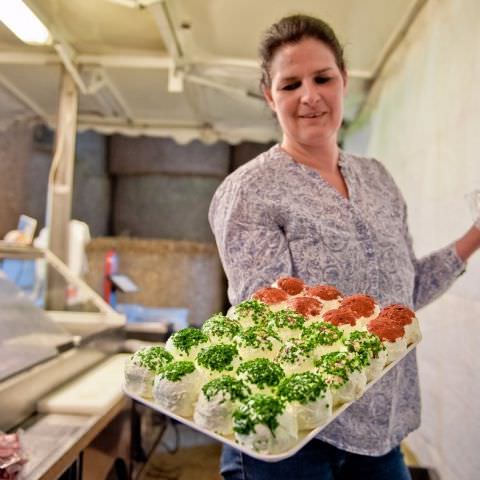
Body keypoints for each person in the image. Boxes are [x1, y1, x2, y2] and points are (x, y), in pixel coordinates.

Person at [208, 14, 480, 480]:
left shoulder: (378, 180)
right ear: (269, 96)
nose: (309, 96)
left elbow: (403, 295)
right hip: (291, 432)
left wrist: (475, 236)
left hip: (380, 428)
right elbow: (267, 323)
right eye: (290, 84)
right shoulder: (252, 190)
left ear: (344, 81)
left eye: (322, 78)